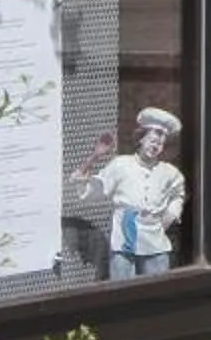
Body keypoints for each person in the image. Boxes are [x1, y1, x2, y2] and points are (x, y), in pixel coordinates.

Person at [74, 106, 185, 277]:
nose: (155, 146)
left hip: (155, 241)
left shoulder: (170, 173)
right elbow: (93, 190)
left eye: (160, 143)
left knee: (157, 291)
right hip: (124, 241)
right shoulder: (121, 165)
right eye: (152, 140)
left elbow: (178, 194)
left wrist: (170, 215)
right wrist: (95, 157)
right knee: (122, 290)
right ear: (141, 138)